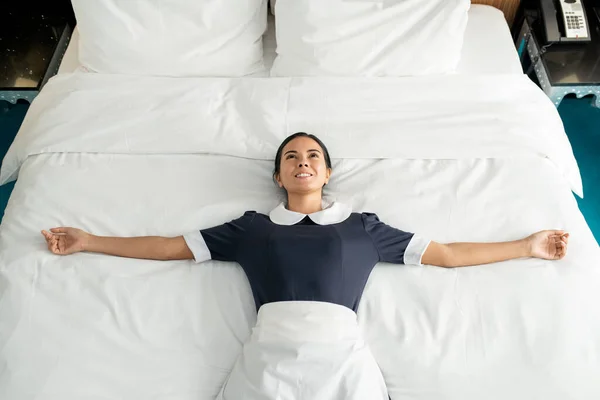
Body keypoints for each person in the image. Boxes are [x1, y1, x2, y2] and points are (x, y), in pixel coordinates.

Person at [42, 132, 569, 400]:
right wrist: (89, 240)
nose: (302, 162)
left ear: (328, 171)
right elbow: (167, 246)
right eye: (291, 157)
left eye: (313, 155)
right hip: (270, 355)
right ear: (278, 176)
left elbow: (450, 255)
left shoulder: (364, 226)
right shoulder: (251, 227)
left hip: (342, 356)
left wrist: (527, 246)